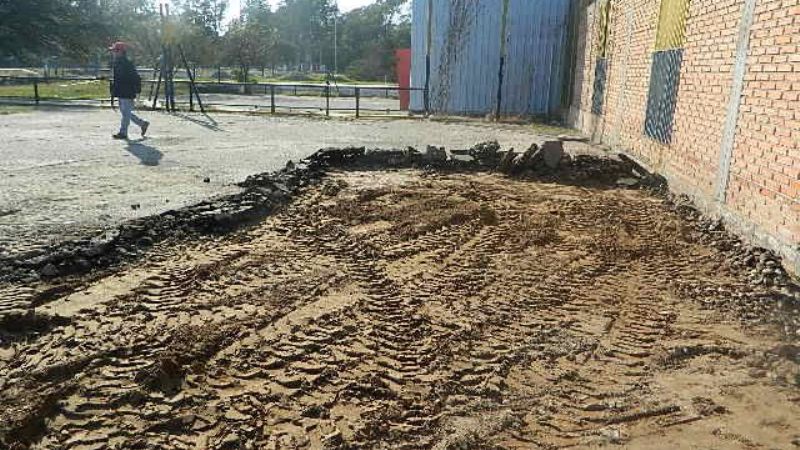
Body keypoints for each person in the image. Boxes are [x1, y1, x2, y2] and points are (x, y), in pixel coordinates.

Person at [109, 41, 149, 139]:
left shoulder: (126, 64)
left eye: (115, 51)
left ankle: (123, 132)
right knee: (125, 112)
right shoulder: (117, 63)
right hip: (121, 91)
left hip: (127, 91)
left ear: (121, 52)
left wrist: (137, 90)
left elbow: (135, 77)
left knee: (125, 113)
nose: (113, 53)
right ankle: (142, 123)